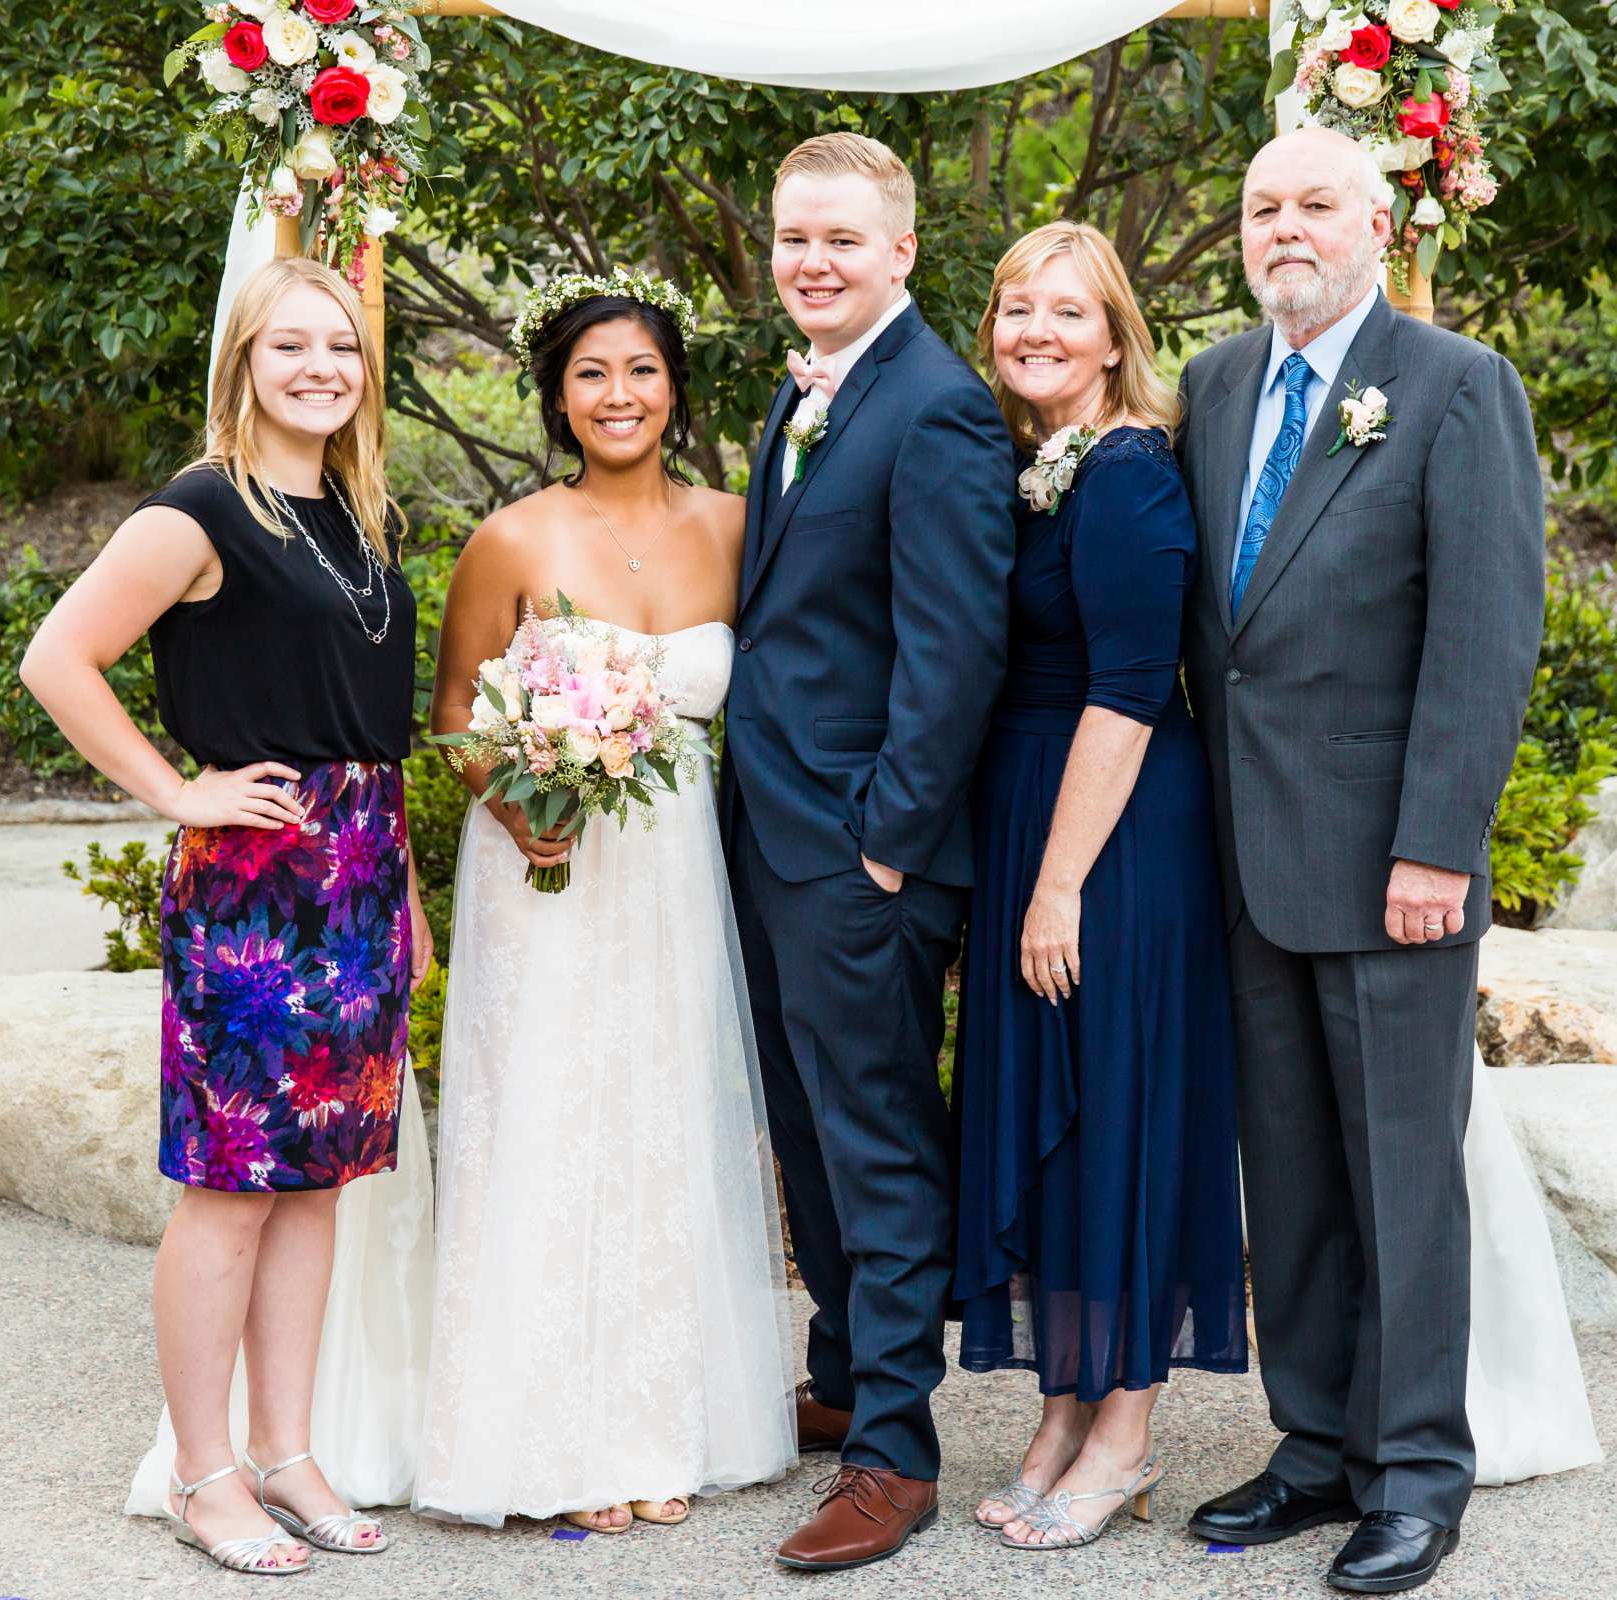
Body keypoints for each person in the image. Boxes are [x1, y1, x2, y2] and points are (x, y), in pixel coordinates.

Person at [1173, 127, 1590, 1595]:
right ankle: (1313, 1446)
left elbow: (1484, 637)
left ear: (1373, 221)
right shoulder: (1218, 386)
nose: (1284, 228)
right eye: (1261, 205)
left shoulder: (1456, 388)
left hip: (1386, 866)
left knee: (1401, 1176)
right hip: (1241, 858)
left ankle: (1417, 1470)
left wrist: (1437, 849)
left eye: (1314, 204)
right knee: (1282, 1172)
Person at [22, 255, 419, 1574]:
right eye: (291, 347)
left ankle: (287, 1451)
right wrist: (173, 791)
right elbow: (56, 658)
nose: (321, 369)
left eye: (342, 349)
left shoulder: (360, 514)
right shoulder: (198, 512)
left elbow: (378, 729)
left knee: (315, 1192)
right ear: (242, 361)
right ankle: (205, 1474)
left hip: (359, 873)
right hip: (253, 890)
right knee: (232, 1193)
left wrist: (402, 887)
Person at [411, 269, 797, 1536]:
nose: (618, 394)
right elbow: (454, 719)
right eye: (591, 374)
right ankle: (537, 1433)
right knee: (548, 1115)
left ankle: (662, 1416)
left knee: (667, 1117)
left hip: (681, 870)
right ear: (556, 397)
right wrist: (518, 795)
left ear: (676, 386)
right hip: (546, 874)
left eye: (640, 369)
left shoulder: (742, 525)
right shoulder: (511, 540)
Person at [717, 131, 1018, 1572]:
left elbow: (957, 650)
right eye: (795, 240)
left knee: (880, 1142)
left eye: (842, 239)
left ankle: (895, 1453)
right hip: (774, 836)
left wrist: (887, 845)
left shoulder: (940, 408)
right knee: (810, 1131)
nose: (814, 263)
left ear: (903, 248)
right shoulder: (811, 392)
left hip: (858, 851)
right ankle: (844, 1376)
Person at [951, 220, 1247, 1551]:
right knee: (1058, 1118)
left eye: (1066, 313)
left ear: (1117, 335)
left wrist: (1060, 883)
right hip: (1035, 814)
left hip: (1111, 835)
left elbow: (1131, 693)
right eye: (1017, 310)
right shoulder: (1038, 467)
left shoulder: (1126, 473)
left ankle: (1125, 1430)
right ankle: (1065, 1406)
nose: (1036, 332)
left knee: (1117, 1108)